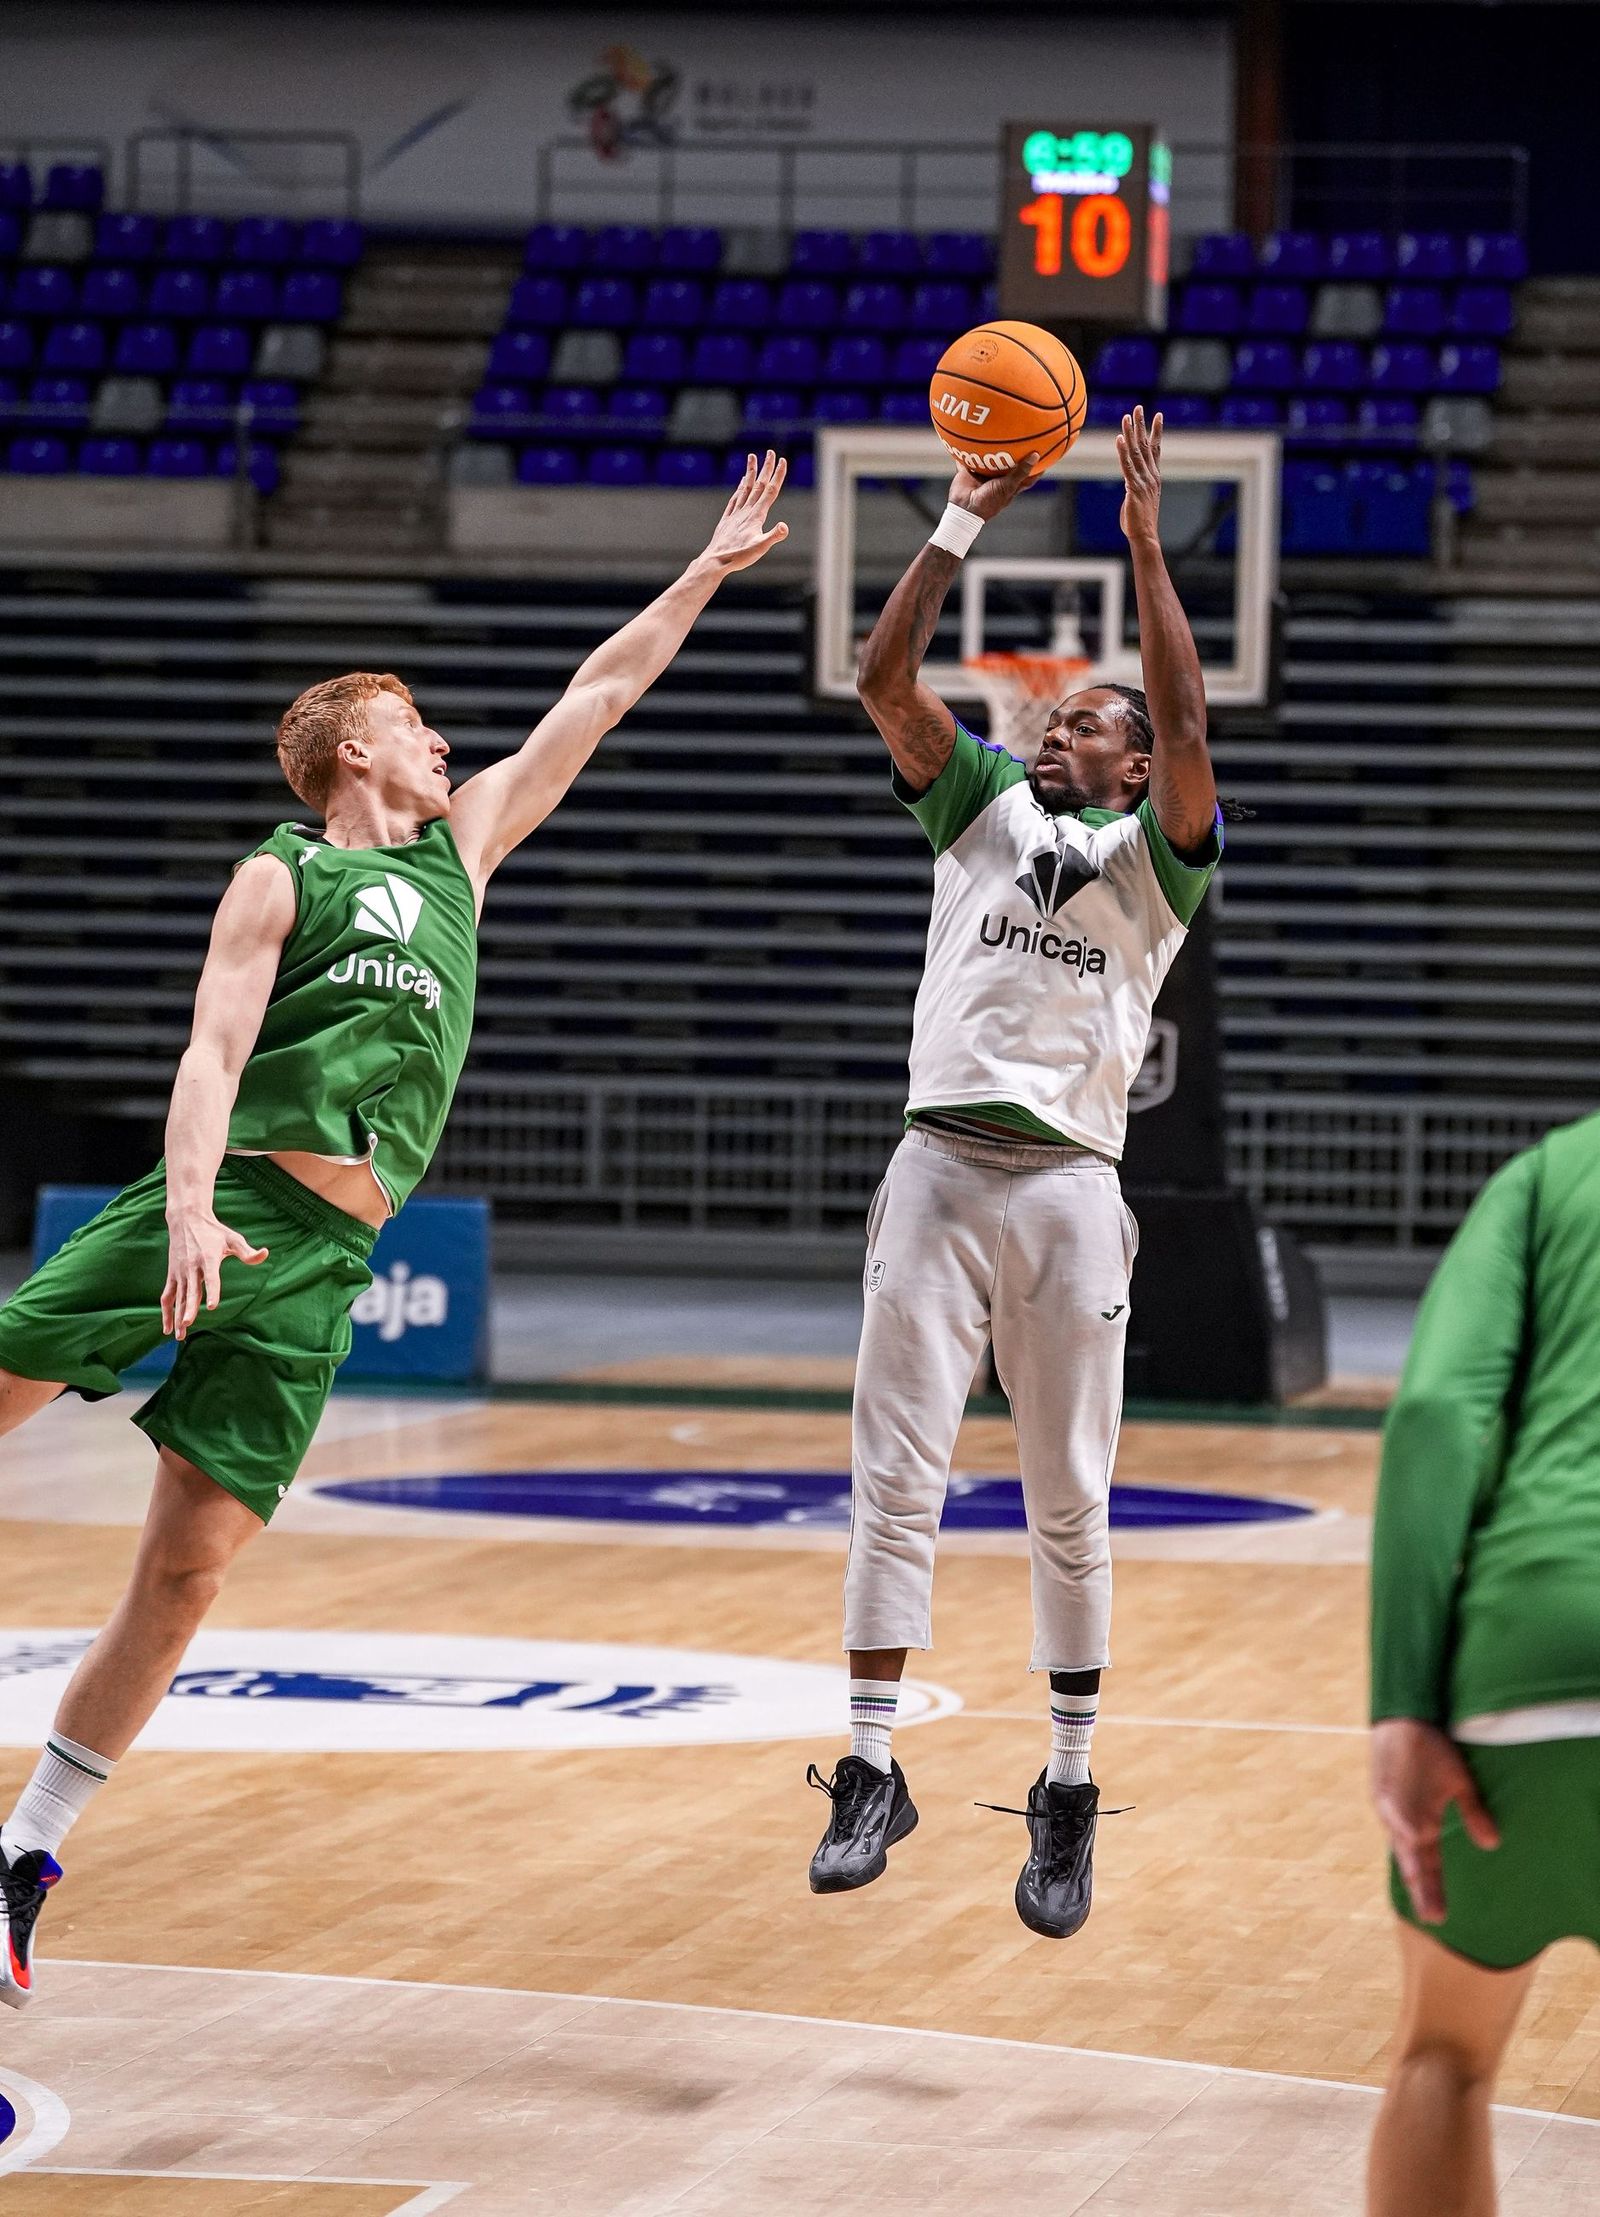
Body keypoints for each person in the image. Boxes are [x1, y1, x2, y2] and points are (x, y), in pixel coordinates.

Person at [0, 453, 789, 2009]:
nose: (445, 742)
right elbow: (211, 1053)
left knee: (188, 1575)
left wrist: (700, 572)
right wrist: (182, 1208)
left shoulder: (463, 851)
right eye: (418, 723)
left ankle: (23, 1855)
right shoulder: (280, 872)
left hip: (326, 1262)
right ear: (354, 748)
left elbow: (597, 697)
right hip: (220, 1207)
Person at [807, 409, 1222, 1934]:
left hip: (1066, 1192)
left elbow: (1190, 724)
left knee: (1069, 1500)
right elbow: (882, 680)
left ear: (1136, 762)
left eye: (1091, 722)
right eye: (1057, 718)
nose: (1062, 728)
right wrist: (960, 519)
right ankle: (871, 1767)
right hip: (937, 1171)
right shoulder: (980, 805)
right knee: (892, 1483)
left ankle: (1067, 1788)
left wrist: (1146, 547)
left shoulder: (1160, 860)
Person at [1367, 1110, 1600, 2215]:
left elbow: (1431, 1415)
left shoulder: (1551, 1175)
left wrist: (1402, 1702)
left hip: (1534, 1649)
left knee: (1444, 2059)